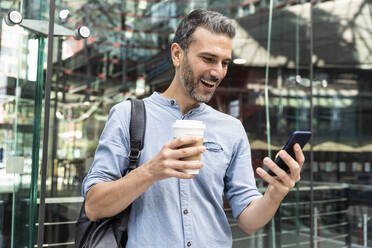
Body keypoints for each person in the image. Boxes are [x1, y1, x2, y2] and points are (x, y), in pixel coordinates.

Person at [82, 9, 304, 248]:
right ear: (177, 55)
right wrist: (152, 171)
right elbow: (95, 207)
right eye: (208, 59)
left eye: (224, 63)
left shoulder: (231, 129)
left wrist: (275, 193)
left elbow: (249, 222)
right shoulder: (127, 116)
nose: (218, 72)